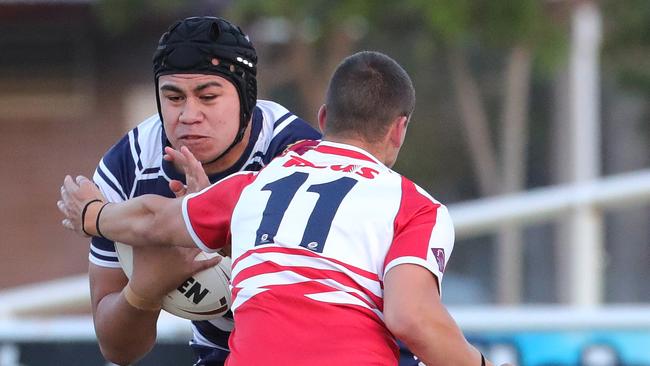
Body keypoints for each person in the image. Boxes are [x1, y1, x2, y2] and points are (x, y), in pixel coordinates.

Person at [59, 51, 499, 366]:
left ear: (324, 118)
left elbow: (155, 219)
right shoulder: (417, 207)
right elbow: (411, 318)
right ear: (399, 130)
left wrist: (92, 215)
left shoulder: (257, 183)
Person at [82, 16, 321, 366]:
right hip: (219, 353)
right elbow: (117, 349)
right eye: (173, 97)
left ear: (246, 97)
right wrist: (145, 290)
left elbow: (308, 305)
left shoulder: (298, 155)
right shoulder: (128, 166)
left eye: (208, 96)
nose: (189, 115)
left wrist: (213, 227)